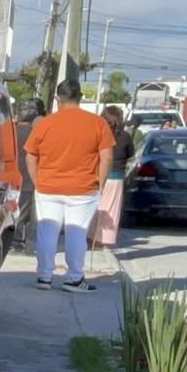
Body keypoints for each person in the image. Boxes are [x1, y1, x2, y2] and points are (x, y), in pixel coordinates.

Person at [23, 79, 115, 293]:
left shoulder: (45, 123)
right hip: (83, 188)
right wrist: (101, 184)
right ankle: (74, 278)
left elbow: (30, 155)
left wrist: (38, 181)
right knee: (76, 232)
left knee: (47, 231)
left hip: (48, 187)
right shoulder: (97, 123)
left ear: (57, 99)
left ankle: (44, 276)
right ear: (80, 97)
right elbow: (107, 157)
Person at [91, 105, 134, 248]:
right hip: (116, 176)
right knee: (111, 209)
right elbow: (130, 154)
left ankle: (89, 237)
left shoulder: (97, 133)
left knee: (95, 207)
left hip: (97, 174)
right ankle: (103, 240)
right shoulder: (125, 136)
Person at [13, 98, 46, 253]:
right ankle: (17, 241)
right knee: (22, 212)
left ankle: (10, 238)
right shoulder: (37, 134)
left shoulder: (7, 131)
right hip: (27, 179)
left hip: (6, 177)